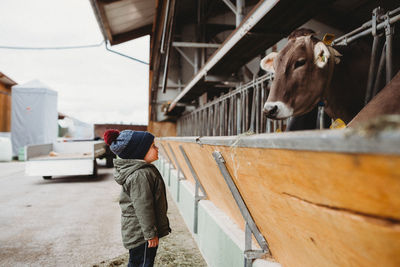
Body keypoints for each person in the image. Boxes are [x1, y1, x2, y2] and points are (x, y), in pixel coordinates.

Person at [103, 129, 171, 267]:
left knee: (138, 262)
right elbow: (143, 206)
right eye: (153, 146)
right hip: (141, 234)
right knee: (142, 263)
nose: (157, 149)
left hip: (140, 231)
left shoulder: (143, 170)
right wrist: (150, 234)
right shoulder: (140, 175)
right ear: (139, 152)